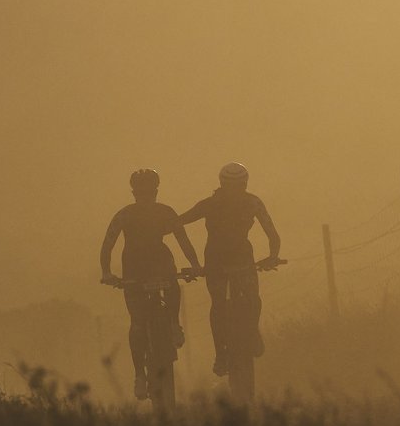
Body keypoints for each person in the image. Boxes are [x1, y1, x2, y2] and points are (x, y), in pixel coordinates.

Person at [100, 169, 203, 400]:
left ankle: (143, 370)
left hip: (138, 268)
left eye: (147, 192)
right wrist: (195, 265)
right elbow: (183, 240)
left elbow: (107, 245)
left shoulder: (125, 214)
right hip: (149, 267)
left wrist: (107, 272)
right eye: (143, 193)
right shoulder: (164, 212)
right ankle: (144, 368)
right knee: (142, 318)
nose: (146, 196)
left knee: (138, 322)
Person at [179, 162, 281, 376]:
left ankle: (226, 351)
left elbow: (178, 222)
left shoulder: (210, 204)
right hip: (238, 259)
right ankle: (245, 337)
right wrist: (272, 256)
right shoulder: (252, 202)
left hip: (218, 259)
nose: (236, 192)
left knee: (222, 304)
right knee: (246, 299)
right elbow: (271, 232)